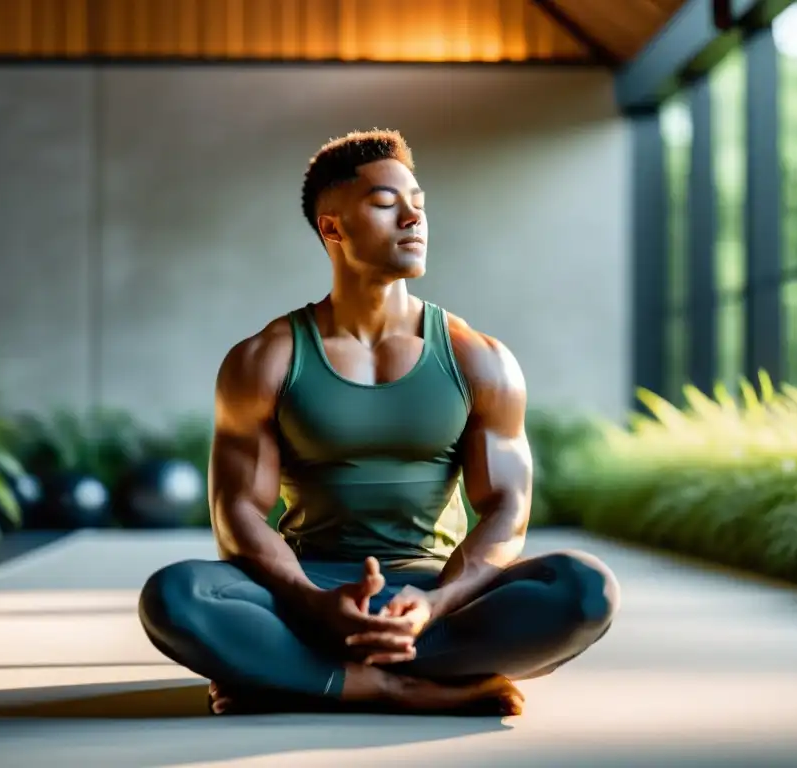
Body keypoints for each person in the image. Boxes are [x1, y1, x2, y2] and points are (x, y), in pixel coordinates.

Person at [138, 129, 620, 717]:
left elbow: (507, 511)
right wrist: (314, 604)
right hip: (306, 595)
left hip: (436, 592)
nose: (413, 218)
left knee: (583, 589)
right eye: (387, 204)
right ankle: (393, 686)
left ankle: (294, 675)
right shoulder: (265, 358)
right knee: (176, 596)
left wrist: (434, 604)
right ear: (333, 228)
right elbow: (237, 512)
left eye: (418, 203)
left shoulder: (479, 358)